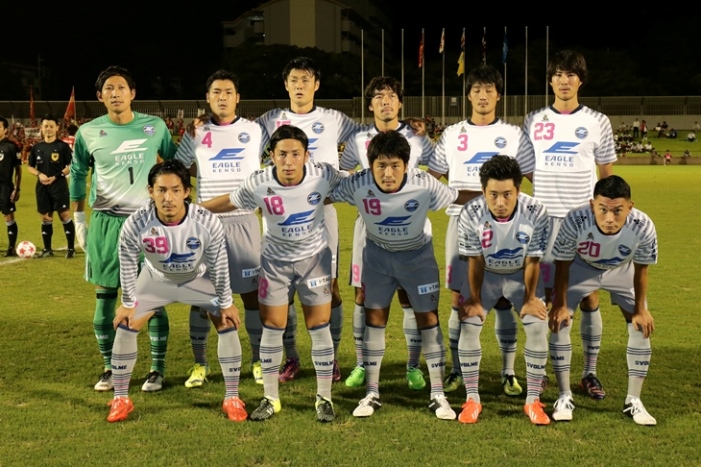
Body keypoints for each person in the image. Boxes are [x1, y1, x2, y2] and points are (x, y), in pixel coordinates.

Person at [200, 124, 346, 423]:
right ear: (272, 155)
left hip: (314, 261)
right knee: (272, 327)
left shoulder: (324, 174)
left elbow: (354, 185)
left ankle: (324, 398)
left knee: (319, 326)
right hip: (275, 264)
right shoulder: (259, 181)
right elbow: (231, 200)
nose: (289, 161)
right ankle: (270, 398)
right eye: (282, 154)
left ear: (307, 155)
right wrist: (196, 210)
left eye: (295, 154)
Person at [330, 130, 460, 420]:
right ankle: (372, 393)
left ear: (406, 165)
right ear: (370, 165)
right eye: (381, 166)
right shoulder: (358, 183)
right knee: (375, 320)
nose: (388, 173)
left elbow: (454, 196)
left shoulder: (425, 183)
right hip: (377, 260)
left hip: (418, 260)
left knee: (428, 319)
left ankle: (438, 394)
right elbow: (325, 193)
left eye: (395, 166)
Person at [106, 160, 246, 423]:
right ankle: (121, 398)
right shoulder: (136, 223)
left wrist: (226, 302)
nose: (168, 198)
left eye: (175, 190)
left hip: (198, 279)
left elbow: (218, 263)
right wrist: (128, 301)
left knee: (227, 323)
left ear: (186, 192)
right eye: (161, 190)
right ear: (150, 191)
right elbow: (127, 261)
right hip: (155, 281)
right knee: (125, 324)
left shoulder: (207, 221)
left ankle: (232, 397)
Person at [428, 65, 535, 396]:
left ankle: (508, 372)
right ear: (468, 95)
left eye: (489, 90)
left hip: (506, 227)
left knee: (503, 298)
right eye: (476, 90)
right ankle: (456, 369)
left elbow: (536, 180)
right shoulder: (451, 134)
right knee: (460, 298)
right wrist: (466, 197)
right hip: (461, 223)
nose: (483, 96)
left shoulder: (515, 135)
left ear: (498, 95)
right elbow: (432, 180)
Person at [70, 66, 177, 392]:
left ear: (132, 93)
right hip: (105, 223)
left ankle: (157, 369)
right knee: (105, 299)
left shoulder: (155, 126)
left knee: (152, 298)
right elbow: (78, 173)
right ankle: (109, 367)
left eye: (121, 88)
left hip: (147, 223)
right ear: (99, 96)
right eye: (109, 89)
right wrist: (79, 218)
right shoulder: (88, 132)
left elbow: (174, 165)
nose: (115, 93)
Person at [255, 57, 362, 383]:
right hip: (279, 215)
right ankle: (292, 358)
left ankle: (331, 359)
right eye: (294, 80)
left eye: (306, 80)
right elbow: (239, 142)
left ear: (316, 85)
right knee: (282, 289)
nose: (299, 85)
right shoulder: (269, 120)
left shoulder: (333, 118)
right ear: (285, 85)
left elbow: (366, 138)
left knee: (329, 287)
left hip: (321, 213)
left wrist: (344, 175)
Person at [523, 50, 616, 401]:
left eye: (571, 75)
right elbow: (525, 166)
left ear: (581, 80)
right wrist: (547, 188)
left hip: (583, 222)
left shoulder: (598, 121)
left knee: (589, 296)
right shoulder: (533, 120)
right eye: (558, 74)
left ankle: (589, 372)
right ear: (550, 80)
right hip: (545, 222)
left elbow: (606, 176)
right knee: (547, 297)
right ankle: (545, 370)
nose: (564, 81)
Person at [339, 76, 435, 390]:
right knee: (363, 295)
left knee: (410, 296)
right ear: (370, 104)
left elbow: (438, 170)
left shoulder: (418, 138)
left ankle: (413, 366)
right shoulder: (357, 139)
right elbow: (344, 174)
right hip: (369, 228)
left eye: (392, 96)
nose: (385, 101)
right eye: (379, 96)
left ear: (400, 103)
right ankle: (362, 364)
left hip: (412, 228)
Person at [175, 70, 265, 388]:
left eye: (228, 92)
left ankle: (257, 360)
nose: (222, 97)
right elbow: (179, 168)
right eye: (216, 92)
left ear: (238, 97)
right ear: (208, 97)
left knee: (252, 295)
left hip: (243, 221)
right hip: (205, 223)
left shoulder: (255, 130)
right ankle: (200, 364)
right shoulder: (196, 132)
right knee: (201, 296)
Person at [549, 175, 657, 426]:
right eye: (603, 209)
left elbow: (641, 270)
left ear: (630, 207)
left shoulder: (643, 226)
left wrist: (640, 309)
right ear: (592, 205)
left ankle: (633, 400)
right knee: (559, 322)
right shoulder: (575, 220)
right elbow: (562, 264)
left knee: (641, 325)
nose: (609, 218)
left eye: (617, 210)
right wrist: (560, 304)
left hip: (621, 270)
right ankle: (564, 396)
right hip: (580, 268)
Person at [455, 155, 550, 425]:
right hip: (487, 275)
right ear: (483, 191)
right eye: (493, 195)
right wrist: (475, 300)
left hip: (522, 275)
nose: (500, 202)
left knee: (537, 326)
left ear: (518, 190)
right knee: (469, 324)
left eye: (507, 194)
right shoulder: (470, 212)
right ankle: (472, 399)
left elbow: (533, 260)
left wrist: (530, 299)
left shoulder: (536, 211)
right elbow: (475, 260)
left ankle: (533, 401)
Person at [26, 115, 75, 258]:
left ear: (57, 128)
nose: (48, 129)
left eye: (51, 126)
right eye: (46, 126)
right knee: (45, 217)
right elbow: (30, 167)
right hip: (42, 187)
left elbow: (71, 165)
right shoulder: (37, 147)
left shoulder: (62, 146)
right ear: (41, 128)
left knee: (64, 215)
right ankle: (47, 249)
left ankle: (71, 249)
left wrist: (56, 176)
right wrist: (39, 174)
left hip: (59, 185)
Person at [0, 116, 22, 257]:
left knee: (8, 216)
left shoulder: (11, 147)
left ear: (5, 130)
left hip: (5, 187)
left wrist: (17, 189)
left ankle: (11, 247)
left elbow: (18, 170)